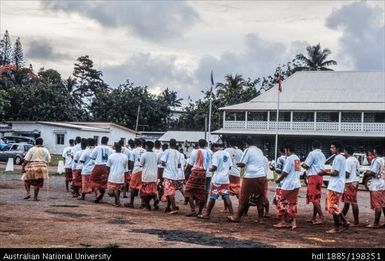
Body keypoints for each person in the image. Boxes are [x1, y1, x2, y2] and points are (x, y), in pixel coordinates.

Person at [228, 137, 267, 223]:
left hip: (251, 176)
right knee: (260, 198)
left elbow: (242, 163)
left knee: (243, 197)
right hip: (261, 176)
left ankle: (237, 217)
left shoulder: (247, 150)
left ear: (246, 144)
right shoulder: (259, 151)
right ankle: (260, 218)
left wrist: (236, 163)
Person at [318, 140, 349, 233]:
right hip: (337, 185)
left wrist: (324, 172)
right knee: (334, 205)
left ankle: (337, 227)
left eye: (332, 147)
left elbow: (335, 172)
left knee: (333, 206)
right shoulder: (341, 158)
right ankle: (344, 221)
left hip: (335, 185)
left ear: (337, 148)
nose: (331, 149)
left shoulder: (338, 158)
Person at [199, 144, 233, 219]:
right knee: (226, 196)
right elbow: (230, 166)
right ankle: (232, 214)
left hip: (217, 178)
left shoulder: (216, 154)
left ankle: (207, 214)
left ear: (215, 148)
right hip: (225, 179)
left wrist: (209, 169)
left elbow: (214, 167)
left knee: (212, 197)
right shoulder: (227, 153)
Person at [273, 144, 301, 230]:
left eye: (285, 150)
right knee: (292, 203)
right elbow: (297, 171)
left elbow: (285, 172)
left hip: (288, 184)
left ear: (288, 149)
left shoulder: (289, 159)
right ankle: (293, 222)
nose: (285, 152)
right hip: (296, 184)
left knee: (281, 202)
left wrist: (278, 180)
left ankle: (283, 222)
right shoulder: (297, 158)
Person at [184, 139, 211, 217]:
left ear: (198, 144)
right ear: (206, 144)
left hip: (195, 172)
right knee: (202, 192)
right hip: (203, 173)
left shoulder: (194, 151)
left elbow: (190, 165)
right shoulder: (208, 153)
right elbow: (209, 166)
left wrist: (186, 174)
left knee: (188, 190)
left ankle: (193, 210)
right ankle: (200, 211)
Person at [302, 140, 326, 225]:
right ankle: (314, 217)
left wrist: (303, 164)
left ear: (312, 147)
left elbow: (307, 165)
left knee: (313, 198)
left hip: (313, 176)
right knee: (316, 198)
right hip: (319, 176)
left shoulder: (312, 153)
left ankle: (321, 217)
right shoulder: (322, 155)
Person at [366, 145, 385, 228]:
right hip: (383, 183)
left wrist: (367, 172)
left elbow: (373, 173)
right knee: (383, 204)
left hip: (376, 185)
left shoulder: (376, 161)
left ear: (375, 151)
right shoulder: (383, 160)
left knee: (377, 205)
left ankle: (376, 223)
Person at [89, 136, 113, 203]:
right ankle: (100, 199)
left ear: (101, 141)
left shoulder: (97, 147)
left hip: (98, 165)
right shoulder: (110, 149)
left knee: (92, 179)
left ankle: (97, 192)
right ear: (107, 141)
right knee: (103, 182)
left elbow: (91, 157)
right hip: (106, 166)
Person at [160, 139, 181, 214]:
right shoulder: (178, 153)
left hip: (168, 174)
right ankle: (169, 207)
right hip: (175, 175)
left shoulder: (167, 151)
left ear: (169, 144)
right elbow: (179, 165)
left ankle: (174, 207)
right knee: (170, 192)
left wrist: (167, 165)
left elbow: (162, 162)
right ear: (175, 145)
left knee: (170, 192)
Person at [341, 146, 360, 226]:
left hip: (349, 182)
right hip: (355, 181)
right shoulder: (355, 160)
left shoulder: (348, 161)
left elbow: (347, 174)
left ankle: (356, 222)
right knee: (347, 202)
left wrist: (340, 175)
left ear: (346, 151)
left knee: (352, 202)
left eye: (344, 151)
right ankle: (341, 218)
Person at [125, 139, 146, 208]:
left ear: (135, 144)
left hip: (136, 169)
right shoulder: (144, 151)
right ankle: (142, 203)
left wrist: (131, 170)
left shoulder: (133, 151)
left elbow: (131, 162)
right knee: (142, 186)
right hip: (143, 170)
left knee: (133, 187)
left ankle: (131, 203)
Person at [106, 143, 128, 207]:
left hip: (113, 175)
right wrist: (126, 179)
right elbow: (126, 169)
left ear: (115, 148)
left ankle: (117, 201)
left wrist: (108, 173)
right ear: (121, 149)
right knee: (118, 189)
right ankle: (116, 201)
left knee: (115, 189)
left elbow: (108, 167)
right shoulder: (125, 156)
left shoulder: (111, 156)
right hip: (121, 175)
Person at [140, 141, 159, 210]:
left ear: (146, 146)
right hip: (154, 175)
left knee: (145, 192)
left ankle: (147, 206)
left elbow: (141, 164)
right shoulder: (155, 155)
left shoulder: (144, 155)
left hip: (146, 175)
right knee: (152, 190)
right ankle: (155, 197)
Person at [224, 141, 242, 212]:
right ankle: (241, 206)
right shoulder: (240, 151)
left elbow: (224, 160)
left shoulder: (226, 150)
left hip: (228, 172)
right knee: (237, 190)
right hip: (237, 172)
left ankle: (226, 208)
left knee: (226, 190)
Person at [271, 147, 286, 219]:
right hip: (288, 182)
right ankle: (285, 214)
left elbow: (279, 171)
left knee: (279, 199)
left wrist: (273, 168)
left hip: (281, 181)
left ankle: (279, 214)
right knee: (286, 199)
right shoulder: (290, 158)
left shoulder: (280, 158)